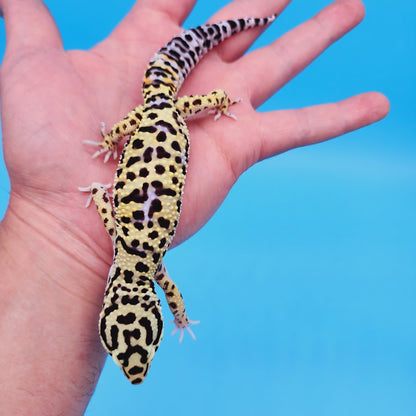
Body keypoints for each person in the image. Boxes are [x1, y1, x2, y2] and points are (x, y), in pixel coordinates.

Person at [0, 0, 389, 414]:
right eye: (141, 351)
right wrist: (109, 151)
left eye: (130, 353)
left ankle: (224, 75)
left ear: (114, 312)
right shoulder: (123, 242)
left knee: (191, 77)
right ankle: (218, 88)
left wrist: (181, 317)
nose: (134, 367)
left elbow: (171, 291)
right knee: (182, 93)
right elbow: (100, 199)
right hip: (160, 116)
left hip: (163, 113)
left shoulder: (154, 267)